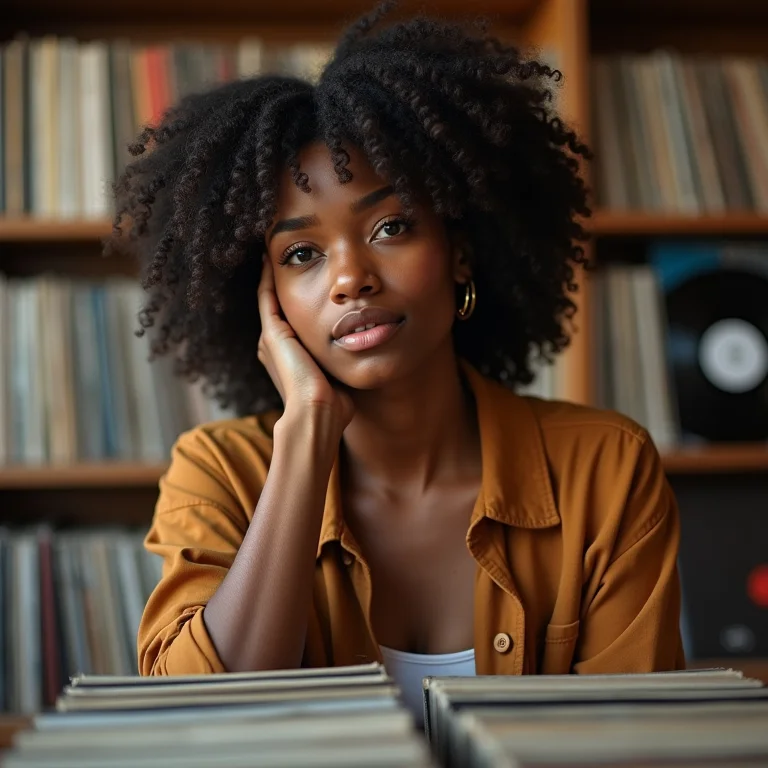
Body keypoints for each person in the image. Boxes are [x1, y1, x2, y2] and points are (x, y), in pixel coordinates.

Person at [112, 0, 685, 722]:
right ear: (265, 298)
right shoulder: (217, 476)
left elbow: (633, 741)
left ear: (461, 250)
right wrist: (305, 437)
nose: (351, 276)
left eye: (391, 226)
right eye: (302, 254)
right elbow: (196, 725)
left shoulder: (604, 471)